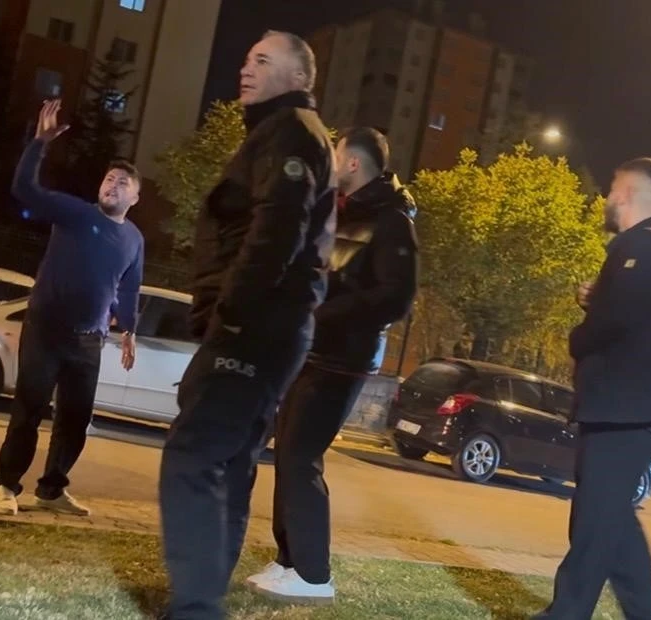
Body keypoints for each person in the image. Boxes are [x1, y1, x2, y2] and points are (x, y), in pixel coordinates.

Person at [158, 30, 337, 620]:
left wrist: (230, 313)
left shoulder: (291, 132)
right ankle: (202, 599)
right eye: (245, 58)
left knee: (193, 455)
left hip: (256, 327)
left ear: (298, 78)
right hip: (268, 327)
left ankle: (197, 607)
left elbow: (277, 231)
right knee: (229, 463)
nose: (246, 68)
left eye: (262, 60)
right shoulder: (282, 131)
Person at [248, 127, 418, 603]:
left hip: (343, 359)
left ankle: (313, 574)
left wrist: (323, 312)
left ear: (353, 164)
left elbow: (397, 297)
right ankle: (288, 560)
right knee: (288, 453)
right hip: (311, 351)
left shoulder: (392, 221)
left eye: (335, 155)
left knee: (301, 457)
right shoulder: (344, 211)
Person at [535, 157, 651, 620]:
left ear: (627, 194)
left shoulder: (645, 247)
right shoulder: (643, 250)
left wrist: (579, 337)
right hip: (620, 413)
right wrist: (598, 298)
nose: (606, 197)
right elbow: (627, 313)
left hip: (626, 415)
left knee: (595, 524)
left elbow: (617, 321)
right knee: (611, 524)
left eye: (612, 188)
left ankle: (566, 614)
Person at [0, 99, 144, 517]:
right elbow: (25, 190)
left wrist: (129, 329)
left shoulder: (134, 239)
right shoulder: (76, 214)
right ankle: (6, 485)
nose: (113, 185)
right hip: (47, 329)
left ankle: (52, 489)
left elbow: (130, 286)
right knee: (29, 410)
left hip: (90, 340)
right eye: (109, 179)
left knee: (75, 421)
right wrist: (40, 142)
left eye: (123, 182)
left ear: (135, 196)